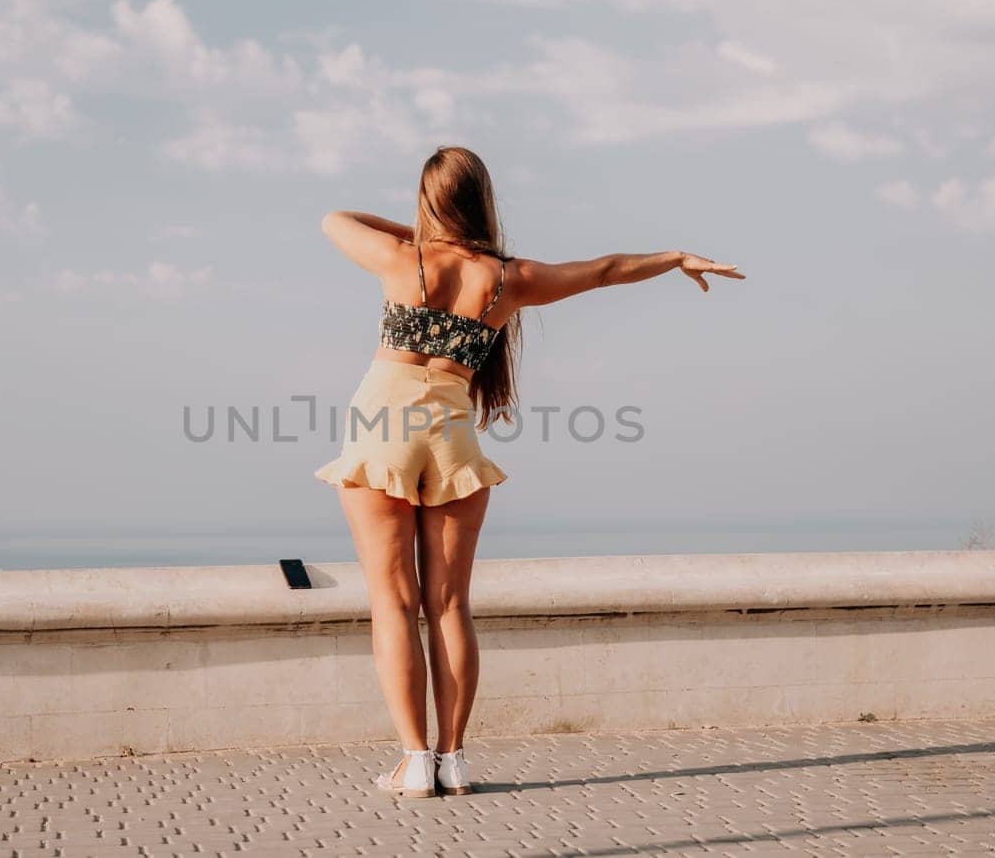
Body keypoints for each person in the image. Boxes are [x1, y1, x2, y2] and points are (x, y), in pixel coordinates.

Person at [314, 146, 743, 798]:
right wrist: (674, 257)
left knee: (394, 603)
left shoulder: (403, 260)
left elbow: (334, 218)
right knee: (451, 603)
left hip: (383, 424)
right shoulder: (510, 279)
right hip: (451, 430)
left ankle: (414, 761)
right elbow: (602, 271)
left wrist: (424, 232)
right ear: (483, 199)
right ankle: (453, 759)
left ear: (429, 201)